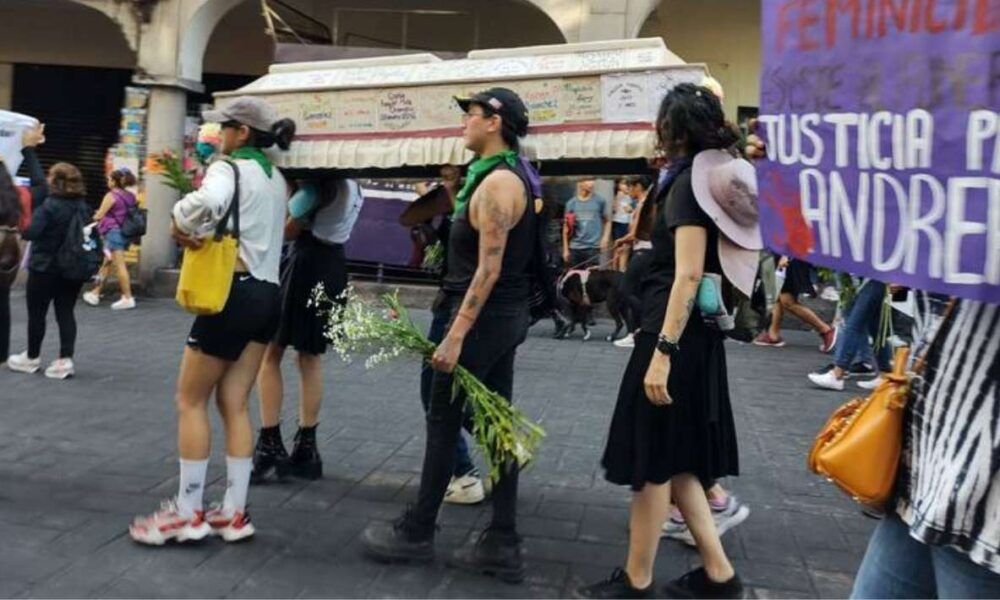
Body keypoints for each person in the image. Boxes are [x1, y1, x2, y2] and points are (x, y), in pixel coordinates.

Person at [743, 120, 1000, 600]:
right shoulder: (956, 171)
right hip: (924, 466)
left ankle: (843, 363)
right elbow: (874, 231)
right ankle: (849, 362)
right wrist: (794, 175)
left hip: (985, 504)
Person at [361, 87, 536, 583]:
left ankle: (418, 531)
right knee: (497, 422)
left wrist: (456, 335)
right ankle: (503, 540)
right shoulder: (491, 178)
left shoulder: (499, 185)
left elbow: (489, 269)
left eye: (471, 114)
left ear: (494, 123)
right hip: (499, 319)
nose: (464, 122)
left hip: (482, 319)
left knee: (443, 419)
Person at [578, 83, 745, 599]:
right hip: (688, 335)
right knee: (674, 460)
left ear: (673, 128)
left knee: (652, 460)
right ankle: (720, 576)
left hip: (673, 336)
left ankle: (636, 581)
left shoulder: (690, 185)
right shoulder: (716, 172)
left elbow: (689, 274)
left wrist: (662, 355)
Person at [128, 97, 295, 545]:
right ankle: (234, 513)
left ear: (242, 132)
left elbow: (209, 202)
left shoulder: (228, 167)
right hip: (268, 294)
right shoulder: (276, 178)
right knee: (235, 403)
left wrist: (180, 217)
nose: (219, 136)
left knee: (189, 399)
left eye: (225, 128)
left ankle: (187, 514)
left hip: (232, 294)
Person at [251, 178, 364, 483]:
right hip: (333, 265)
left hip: (304, 263)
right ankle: (307, 448)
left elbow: (287, 230)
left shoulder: (318, 187)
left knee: (271, 352)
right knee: (310, 356)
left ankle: (270, 445)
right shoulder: (354, 186)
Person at [396, 167, 486, 505]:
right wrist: (445, 190)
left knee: (435, 392)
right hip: (452, 303)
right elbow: (409, 217)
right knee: (451, 393)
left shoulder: (487, 191)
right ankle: (501, 446)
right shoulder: (459, 195)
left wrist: (451, 191)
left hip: (461, 309)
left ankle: (466, 472)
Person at [7, 163, 92, 380]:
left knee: (37, 313)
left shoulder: (49, 206)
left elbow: (31, 233)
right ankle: (65, 360)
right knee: (65, 312)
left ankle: (32, 357)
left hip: (45, 267)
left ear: (54, 181)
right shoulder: (83, 206)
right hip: (73, 266)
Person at [1, 124, 46, 369]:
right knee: (3, 301)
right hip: (6, 257)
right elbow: (42, 186)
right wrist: (29, 150)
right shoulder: (17, 197)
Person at [807, 278, 892, 391]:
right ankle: (885, 375)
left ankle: (838, 373)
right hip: (871, 276)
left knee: (855, 324)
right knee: (875, 327)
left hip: (876, 277)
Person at [753, 256, 837, 353]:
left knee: (787, 301)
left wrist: (786, 255)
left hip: (791, 256)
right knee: (778, 293)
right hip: (783, 255)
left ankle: (825, 330)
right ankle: (773, 335)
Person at [82, 168, 138, 310]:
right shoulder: (130, 196)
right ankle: (96, 292)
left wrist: (88, 218)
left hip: (113, 234)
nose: (108, 182)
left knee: (119, 265)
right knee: (107, 262)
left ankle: (127, 297)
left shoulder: (111, 195)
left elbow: (99, 215)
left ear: (114, 181)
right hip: (124, 234)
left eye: (109, 179)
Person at [612, 175, 655, 349]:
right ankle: (636, 331)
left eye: (631, 187)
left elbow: (636, 233)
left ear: (638, 186)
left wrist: (620, 241)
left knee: (626, 290)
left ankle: (643, 324)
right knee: (634, 292)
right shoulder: (642, 204)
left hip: (643, 251)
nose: (629, 191)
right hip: (642, 251)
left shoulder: (644, 205)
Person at [563, 179, 610, 268]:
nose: (591, 184)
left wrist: (605, 237)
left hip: (593, 247)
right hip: (575, 247)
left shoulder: (600, 201)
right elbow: (566, 228)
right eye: (588, 180)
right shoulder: (571, 203)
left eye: (592, 180)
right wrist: (566, 249)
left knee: (593, 277)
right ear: (580, 182)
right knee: (575, 278)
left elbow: (607, 220)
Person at [611, 178, 635, 268]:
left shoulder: (631, 195)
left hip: (628, 223)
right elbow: (614, 208)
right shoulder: (618, 195)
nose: (625, 186)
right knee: (618, 247)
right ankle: (615, 267)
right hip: (618, 222)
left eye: (626, 184)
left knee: (625, 248)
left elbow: (631, 210)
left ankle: (622, 268)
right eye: (622, 184)